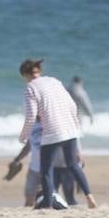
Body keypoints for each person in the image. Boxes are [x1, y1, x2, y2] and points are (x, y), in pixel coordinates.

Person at [18, 58, 97, 209]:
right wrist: (75, 127)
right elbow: (72, 105)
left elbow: (31, 115)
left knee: (46, 171)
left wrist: (24, 135)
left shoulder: (30, 87)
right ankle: (90, 198)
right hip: (69, 130)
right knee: (74, 165)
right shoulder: (55, 81)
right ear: (39, 71)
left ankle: (47, 206)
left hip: (51, 133)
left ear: (25, 75)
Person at [3, 122, 68, 209]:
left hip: (50, 170)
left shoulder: (52, 124)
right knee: (29, 197)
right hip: (34, 169)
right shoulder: (32, 125)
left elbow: (62, 145)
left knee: (53, 197)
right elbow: (28, 147)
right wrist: (17, 160)